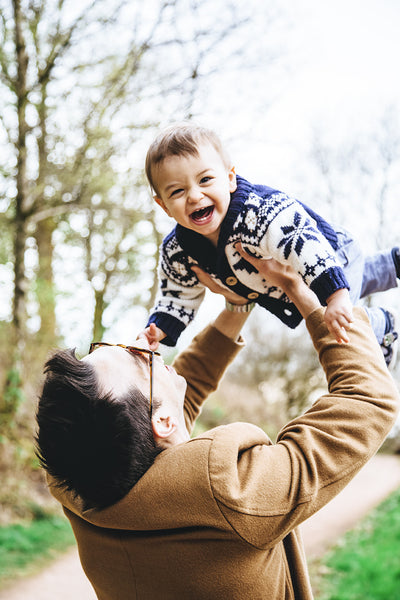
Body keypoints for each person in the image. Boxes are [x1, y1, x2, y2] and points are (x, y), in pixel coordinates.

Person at [36, 250, 399, 600]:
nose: (141, 341)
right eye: (137, 358)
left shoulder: (80, 483)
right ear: (160, 422)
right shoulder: (231, 491)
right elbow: (367, 400)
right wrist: (309, 297)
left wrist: (237, 307)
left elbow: (168, 407)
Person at [141, 122, 399, 367]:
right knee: (342, 289)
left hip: (328, 255)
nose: (195, 196)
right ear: (163, 205)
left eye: (205, 180)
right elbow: (177, 296)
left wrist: (337, 297)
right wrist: (159, 330)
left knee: (331, 322)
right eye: (177, 191)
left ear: (230, 178)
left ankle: (382, 323)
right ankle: (391, 264)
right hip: (302, 277)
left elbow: (306, 246)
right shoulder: (177, 252)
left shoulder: (260, 213)